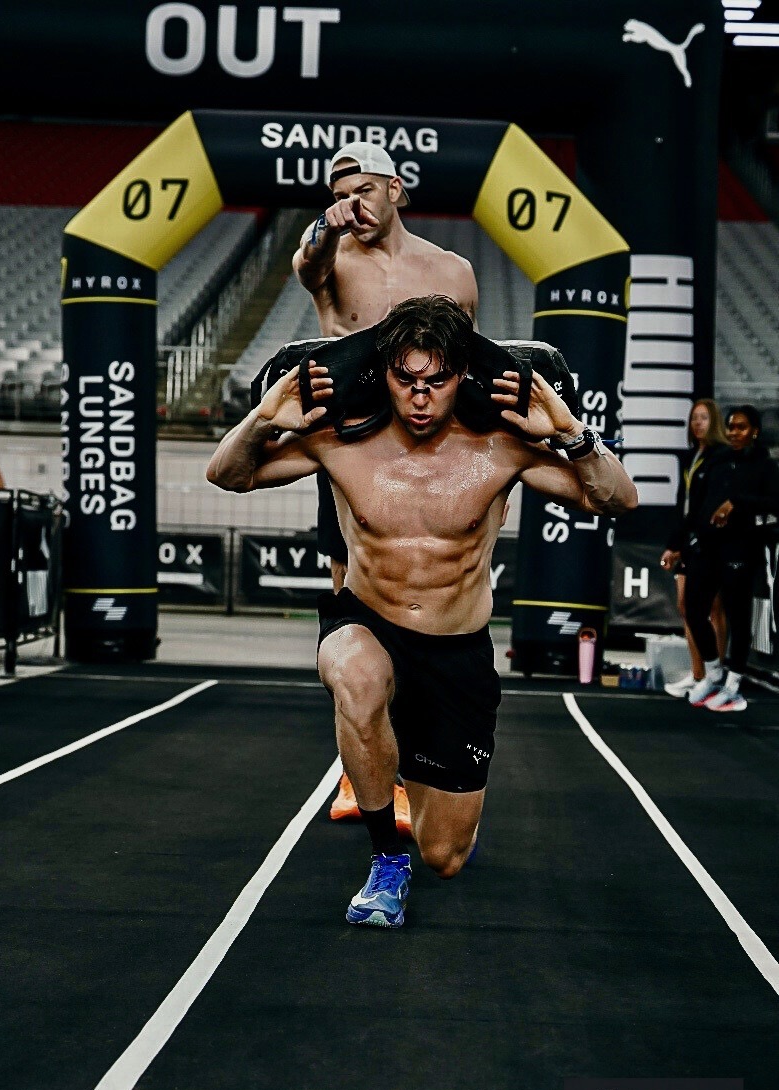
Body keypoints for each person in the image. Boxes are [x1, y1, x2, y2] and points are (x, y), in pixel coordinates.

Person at [207, 296, 638, 927]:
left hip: (455, 651)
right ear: (384, 375)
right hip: (367, 620)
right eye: (406, 379)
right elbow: (229, 474)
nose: (419, 396)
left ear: (462, 376)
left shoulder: (503, 446)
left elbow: (617, 498)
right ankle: (386, 859)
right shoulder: (338, 439)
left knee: (444, 854)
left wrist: (571, 434)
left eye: (436, 380)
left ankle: (402, 778)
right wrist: (263, 420)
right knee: (355, 675)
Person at [292, 141, 479, 829]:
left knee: (428, 605)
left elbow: (468, 370)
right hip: (351, 453)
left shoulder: (450, 271)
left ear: (396, 188)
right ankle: (363, 764)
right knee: (355, 608)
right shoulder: (329, 259)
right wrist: (326, 225)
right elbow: (307, 260)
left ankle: (422, 758)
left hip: (434, 455)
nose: (353, 203)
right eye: (340, 192)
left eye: (364, 189)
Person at [681, 404, 779, 712]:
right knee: (694, 609)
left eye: (741, 427)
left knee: (738, 618)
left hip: (741, 548)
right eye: (731, 427)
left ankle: (734, 684)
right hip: (706, 547)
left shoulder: (765, 466)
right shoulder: (717, 461)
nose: (735, 433)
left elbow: (775, 502)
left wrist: (737, 502)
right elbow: (696, 504)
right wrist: (681, 544)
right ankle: (712, 673)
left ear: (755, 431)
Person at [660, 400, 728, 697]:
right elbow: (684, 505)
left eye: (703, 418)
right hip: (688, 540)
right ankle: (698, 672)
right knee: (686, 607)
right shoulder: (690, 457)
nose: (697, 423)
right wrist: (675, 543)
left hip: (712, 543)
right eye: (693, 418)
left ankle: (717, 673)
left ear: (714, 422)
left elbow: (708, 505)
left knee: (713, 609)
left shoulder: (721, 457)